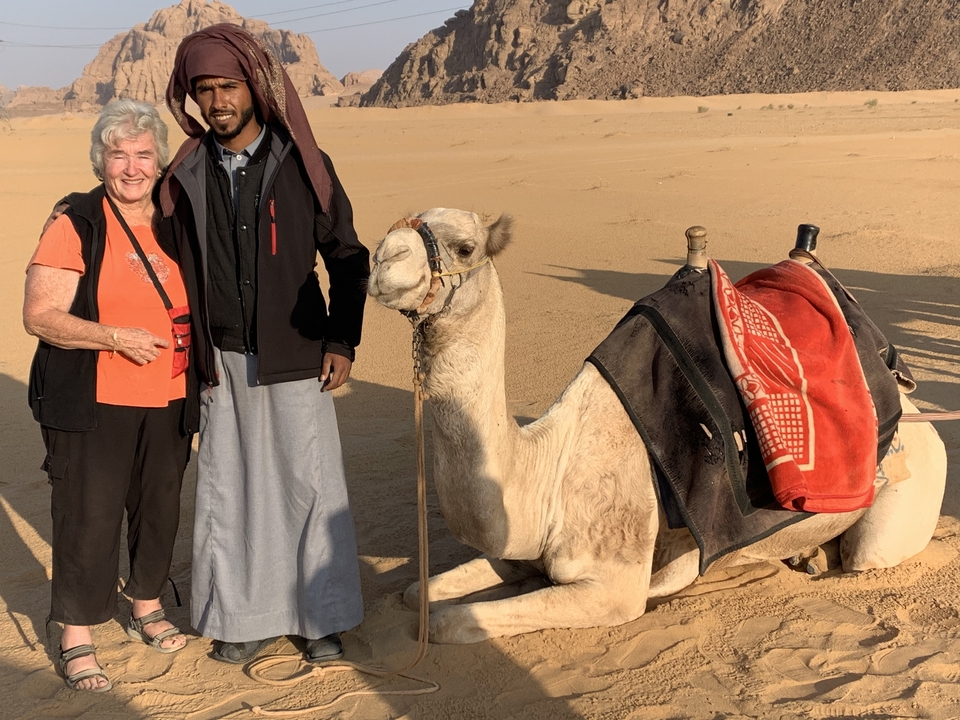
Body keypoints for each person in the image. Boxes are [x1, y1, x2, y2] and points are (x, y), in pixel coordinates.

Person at [160, 24, 369, 665]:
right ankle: (242, 617)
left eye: (228, 86)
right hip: (220, 360)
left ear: (254, 87)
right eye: (204, 89)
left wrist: (342, 340)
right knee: (231, 490)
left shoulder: (303, 163)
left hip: (297, 354)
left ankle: (320, 619)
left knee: (308, 486)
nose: (217, 101)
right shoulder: (185, 174)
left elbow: (348, 256)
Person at [23, 99, 194, 692]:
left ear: (160, 161)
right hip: (94, 400)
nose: (131, 167)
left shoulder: (176, 220)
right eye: (118, 154)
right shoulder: (76, 222)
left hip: (170, 395)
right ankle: (75, 632)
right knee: (87, 516)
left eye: (143, 154)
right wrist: (114, 337)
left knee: (159, 507)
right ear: (100, 161)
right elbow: (40, 315)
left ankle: (146, 604)